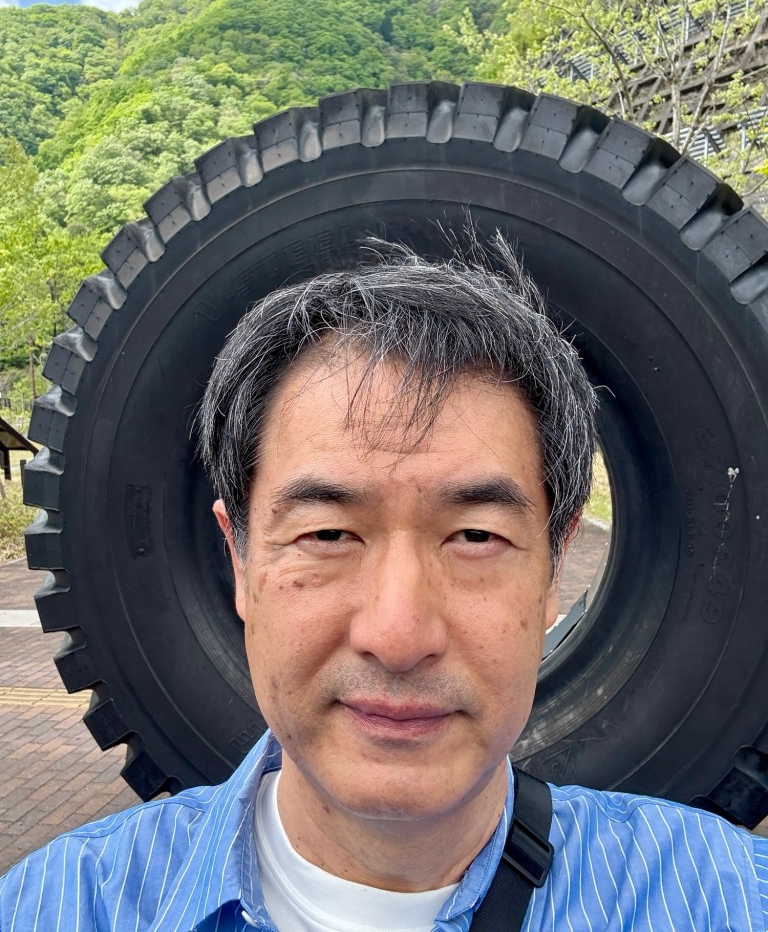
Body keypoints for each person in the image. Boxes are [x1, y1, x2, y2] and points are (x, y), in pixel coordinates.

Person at [1, 232, 767, 931]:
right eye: (328, 534)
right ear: (240, 559)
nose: (398, 636)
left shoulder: (724, 898)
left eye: (475, 536)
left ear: (552, 572)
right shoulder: (59, 906)